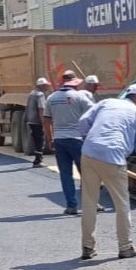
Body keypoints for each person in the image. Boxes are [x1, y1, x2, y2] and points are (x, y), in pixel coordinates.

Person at [74, 84, 136, 260]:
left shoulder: (107, 103)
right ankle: (125, 247)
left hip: (88, 153)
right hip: (113, 155)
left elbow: (82, 122)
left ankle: (87, 247)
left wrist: (89, 139)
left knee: (89, 201)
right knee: (122, 204)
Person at [43, 72, 96, 215]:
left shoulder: (52, 98)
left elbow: (47, 120)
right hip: (77, 139)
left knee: (65, 174)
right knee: (86, 173)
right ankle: (93, 204)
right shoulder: (80, 96)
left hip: (59, 140)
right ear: (75, 83)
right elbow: (94, 113)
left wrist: (50, 139)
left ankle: (71, 205)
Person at [26, 77, 50, 167]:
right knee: (40, 140)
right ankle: (38, 160)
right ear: (42, 86)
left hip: (31, 120)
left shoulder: (31, 94)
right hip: (37, 121)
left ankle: (37, 158)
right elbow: (41, 109)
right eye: (45, 85)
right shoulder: (40, 95)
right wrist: (44, 123)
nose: (47, 87)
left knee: (36, 140)